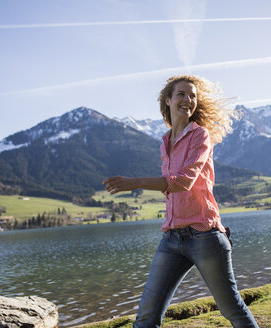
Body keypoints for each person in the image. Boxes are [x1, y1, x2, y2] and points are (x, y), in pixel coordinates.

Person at [103, 75, 259, 328]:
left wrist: (135, 182)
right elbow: (172, 187)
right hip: (171, 239)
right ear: (167, 100)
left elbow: (183, 181)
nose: (188, 100)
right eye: (181, 94)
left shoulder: (200, 136)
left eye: (192, 96)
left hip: (205, 236)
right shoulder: (165, 142)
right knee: (145, 316)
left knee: (232, 309)